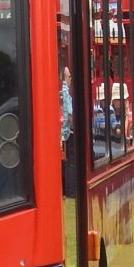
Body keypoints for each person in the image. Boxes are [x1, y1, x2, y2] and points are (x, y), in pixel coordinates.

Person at [59, 65, 75, 198]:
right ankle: (70, 191)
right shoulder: (65, 92)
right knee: (70, 162)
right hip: (67, 133)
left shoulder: (60, 91)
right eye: (70, 76)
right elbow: (70, 114)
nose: (71, 79)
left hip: (61, 132)